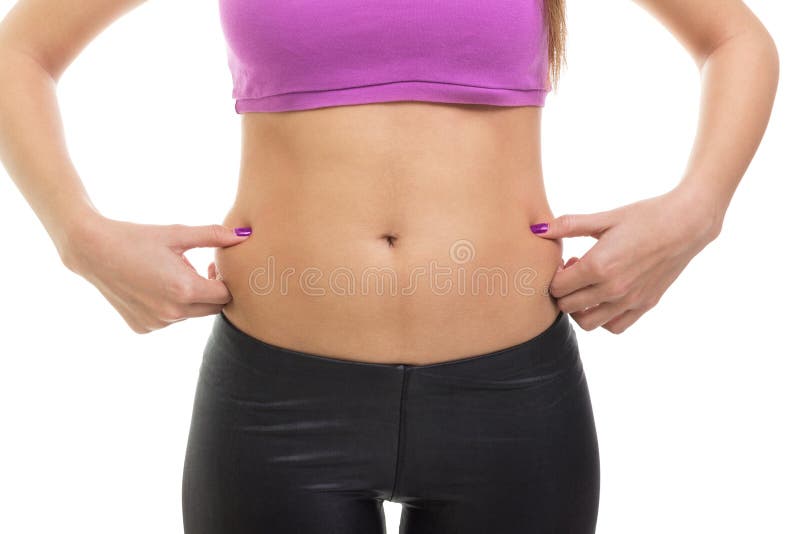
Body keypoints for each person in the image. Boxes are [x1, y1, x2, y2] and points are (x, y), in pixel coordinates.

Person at [0, 0, 778, 533]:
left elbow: (737, 38)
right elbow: (20, 51)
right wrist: (77, 234)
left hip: (513, 399)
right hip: (277, 399)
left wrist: (699, 208)